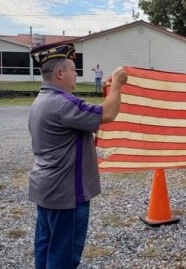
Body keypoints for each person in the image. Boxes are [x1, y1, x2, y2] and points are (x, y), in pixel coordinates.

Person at [29, 42, 127, 268]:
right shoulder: (63, 103)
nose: (76, 74)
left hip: (46, 190)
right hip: (67, 195)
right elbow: (109, 113)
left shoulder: (42, 100)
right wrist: (118, 84)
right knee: (64, 257)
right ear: (60, 73)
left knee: (45, 250)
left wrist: (111, 89)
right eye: (73, 69)